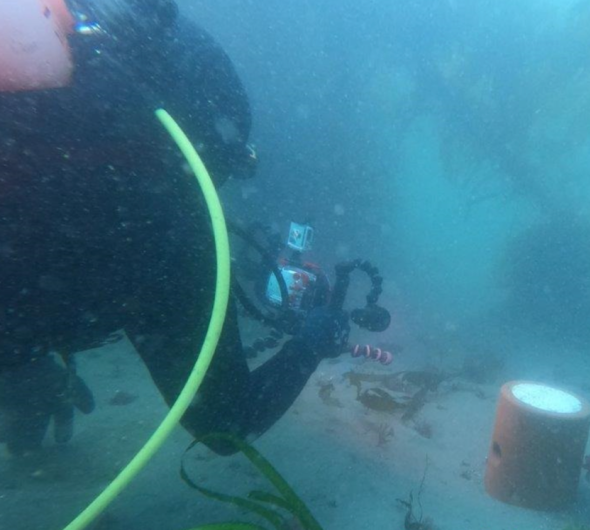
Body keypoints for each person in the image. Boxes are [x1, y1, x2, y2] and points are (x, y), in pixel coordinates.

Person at [0, 0, 349, 456]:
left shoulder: (146, 42)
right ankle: (33, 372)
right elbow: (229, 146)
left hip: (155, 254)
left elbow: (225, 143)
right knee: (223, 419)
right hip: (73, 266)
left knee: (223, 420)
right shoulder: (147, 44)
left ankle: (317, 332)